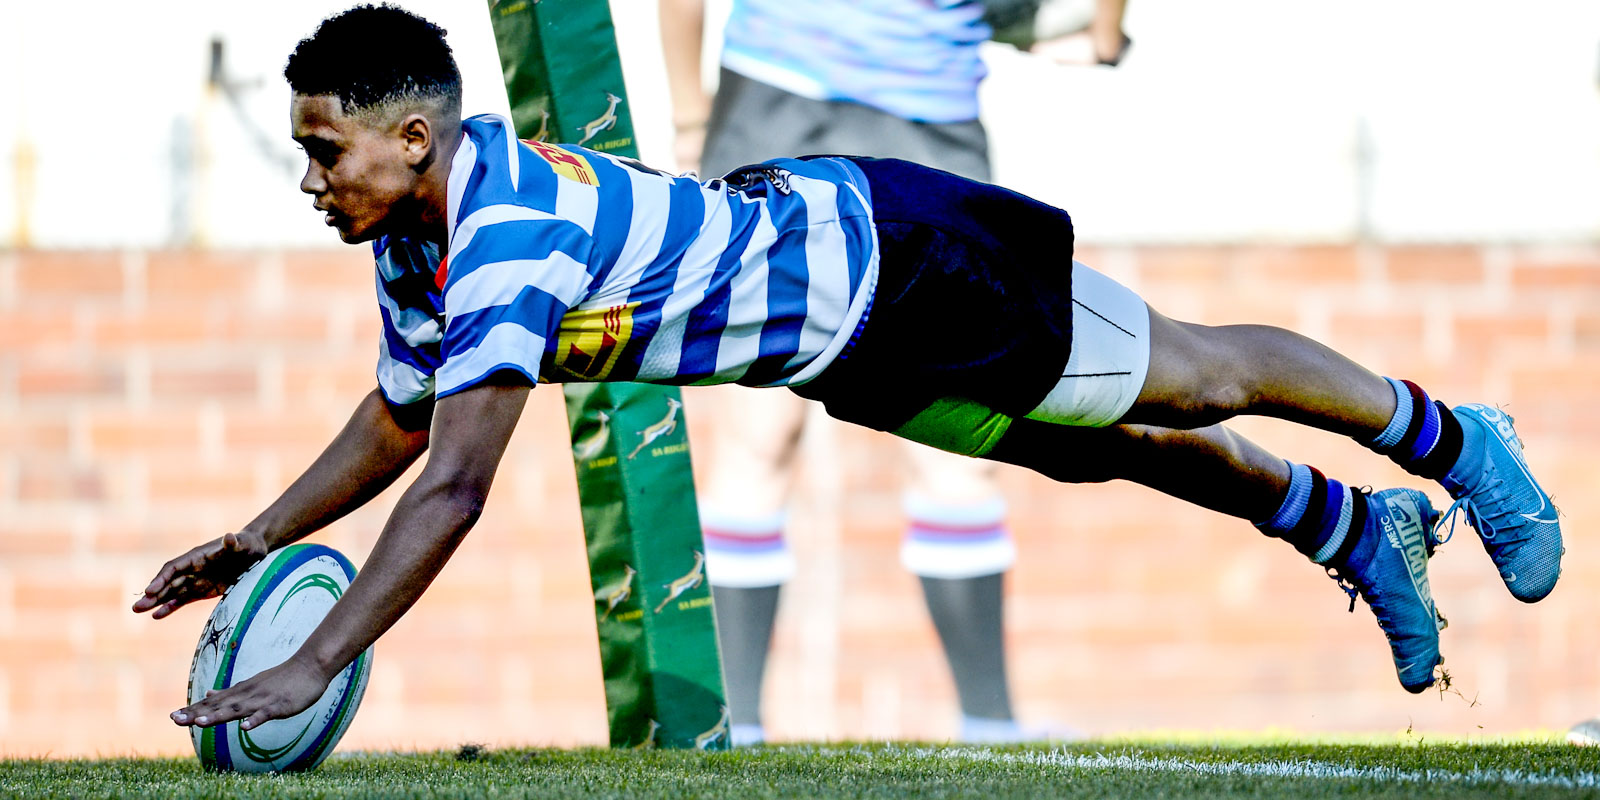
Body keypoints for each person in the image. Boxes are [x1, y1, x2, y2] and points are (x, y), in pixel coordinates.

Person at [137, 6, 1562, 735]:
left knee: (1183, 379)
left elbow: (453, 487)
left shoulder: (504, 240)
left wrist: (313, 662)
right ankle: (1354, 527)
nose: (310, 178)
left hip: (899, 258)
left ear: (414, 140)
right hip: (841, 346)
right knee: (1092, 445)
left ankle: (1449, 440)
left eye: (325, 149)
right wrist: (255, 541)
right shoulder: (421, 241)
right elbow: (400, 419)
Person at [658, 0, 1130, 745]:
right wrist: (1094, 33)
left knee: (769, 441)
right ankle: (987, 727)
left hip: (784, 105)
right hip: (897, 115)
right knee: (942, 437)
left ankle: (738, 730)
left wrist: (691, 116)